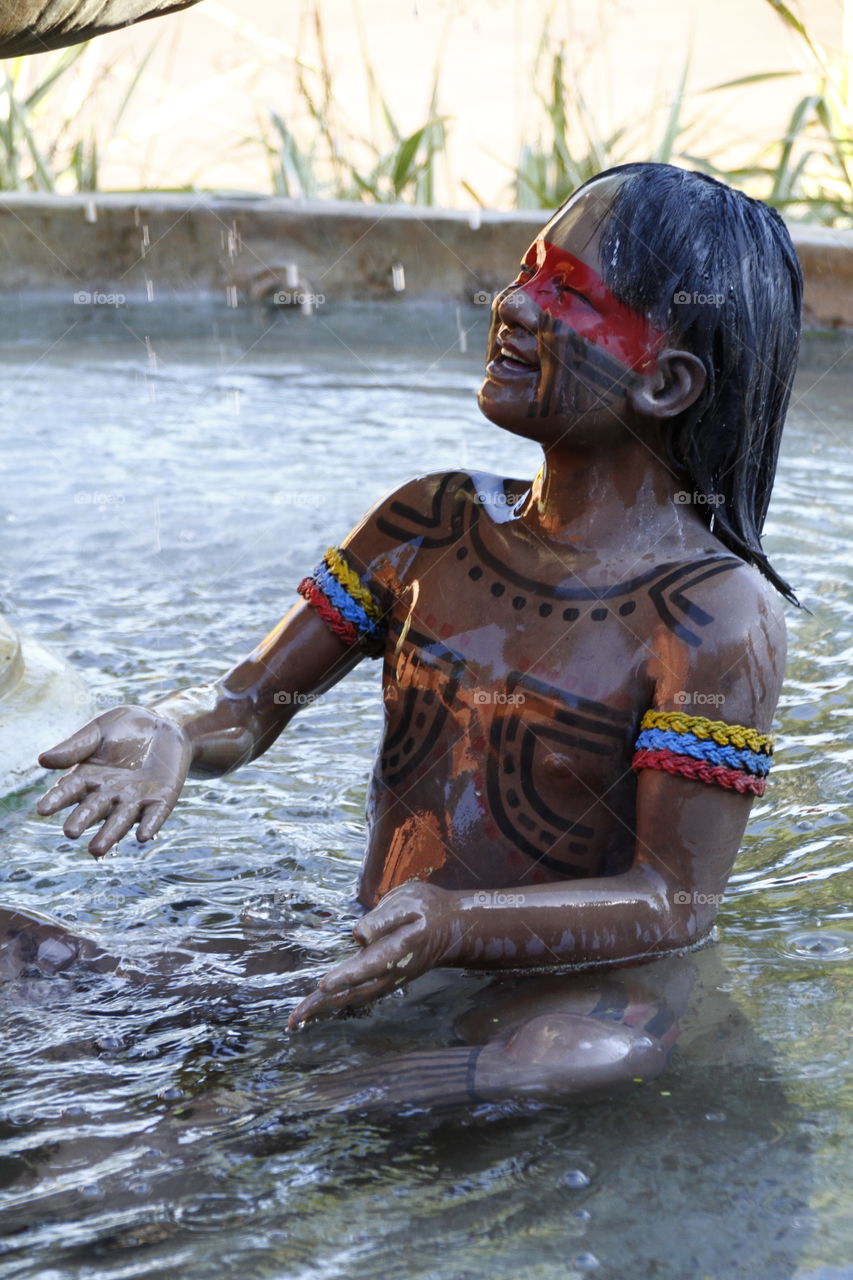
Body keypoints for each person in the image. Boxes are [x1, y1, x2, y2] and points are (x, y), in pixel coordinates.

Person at [32, 161, 802, 1108]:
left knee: (589, 1054)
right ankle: (254, 1103)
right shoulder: (428, 525)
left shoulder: (711, 614)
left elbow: (672, 904)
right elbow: (247, 702)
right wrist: (171, 729)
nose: (512, 303)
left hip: (545, 997)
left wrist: (456, 925)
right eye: (526, 270)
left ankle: (287, 1112)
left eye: (567, 292)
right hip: (375, 938)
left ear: (667, 383)